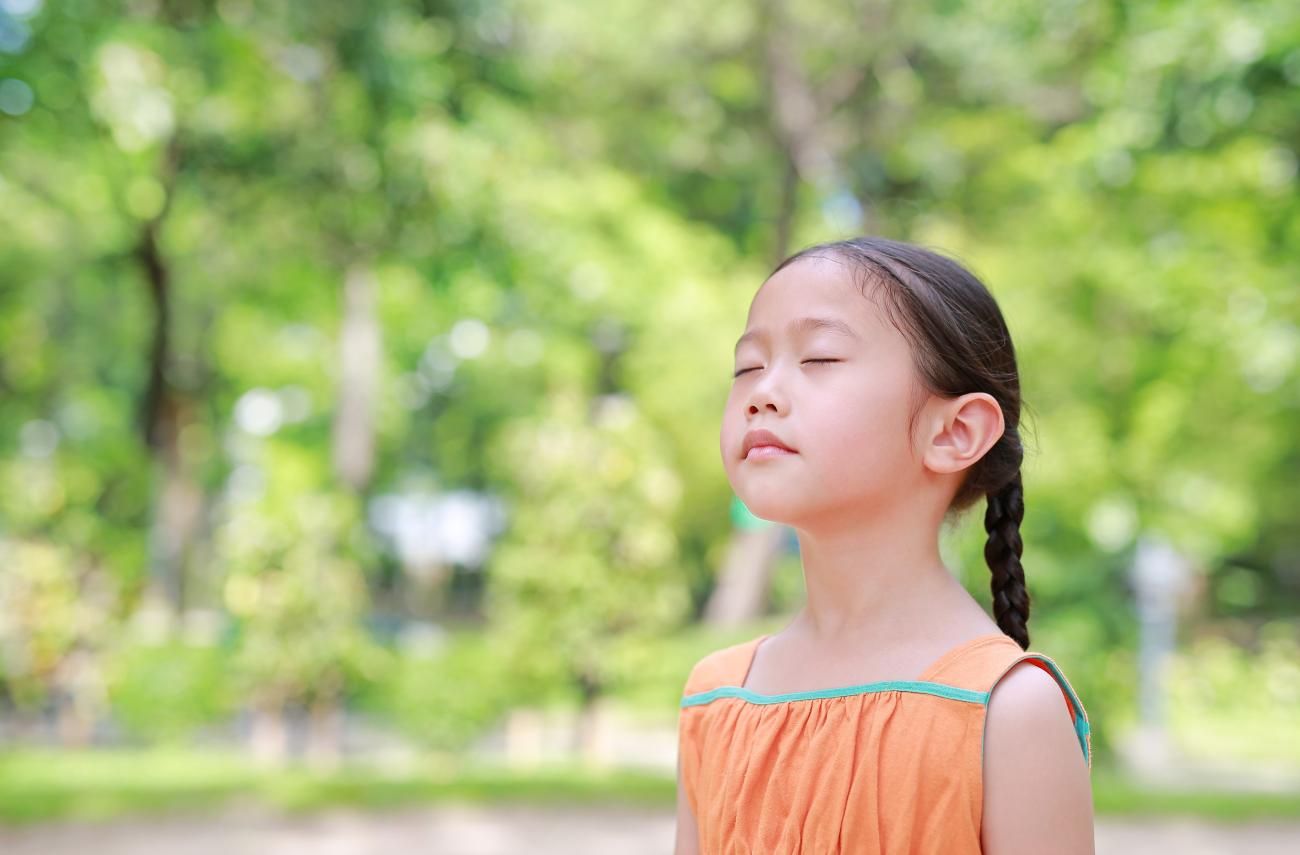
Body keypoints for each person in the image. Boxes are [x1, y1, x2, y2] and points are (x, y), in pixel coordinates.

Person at [674, 237, 1095, 855]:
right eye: (748, 367)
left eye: (819, 358)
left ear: (955, 432)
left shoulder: (1009, 710)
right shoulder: (716, 696)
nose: (762, 392)